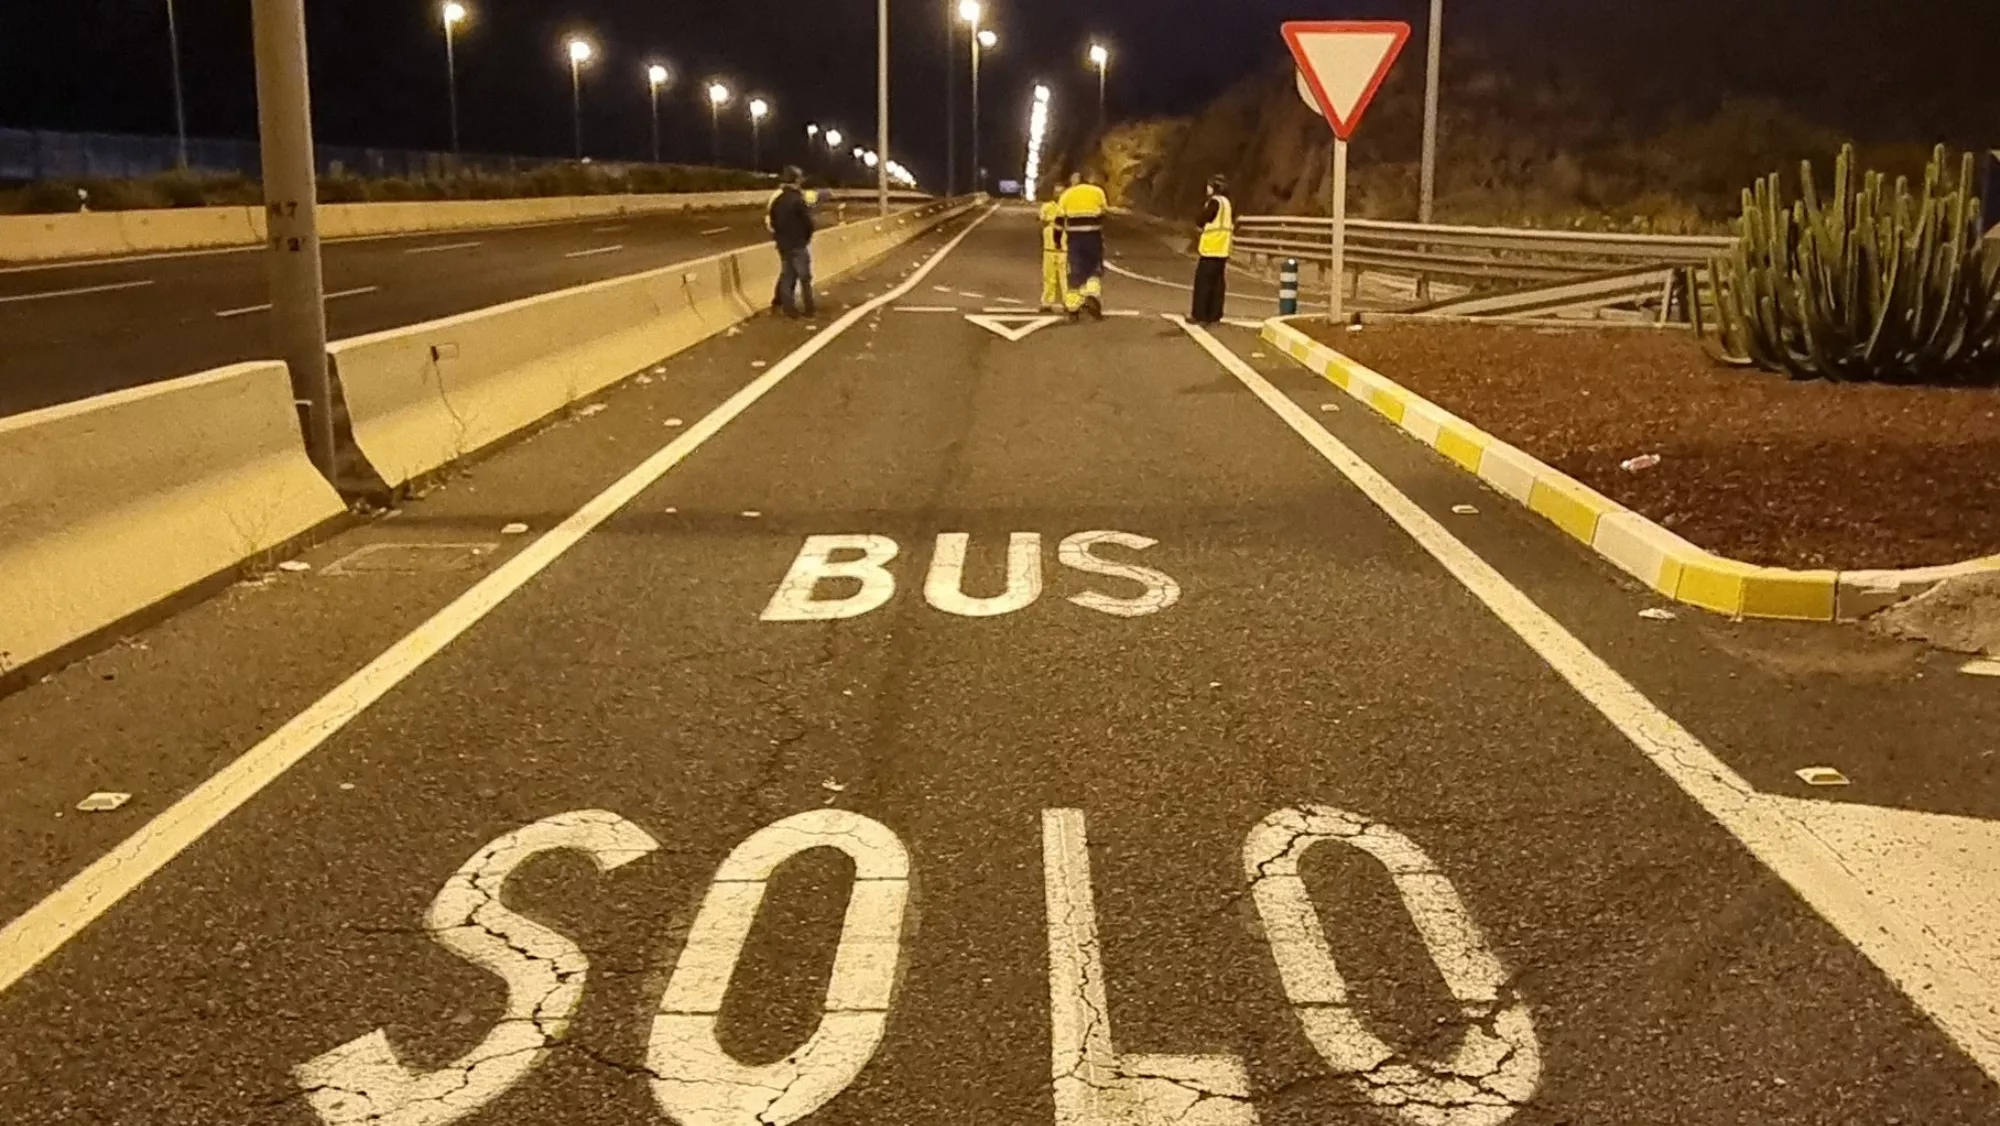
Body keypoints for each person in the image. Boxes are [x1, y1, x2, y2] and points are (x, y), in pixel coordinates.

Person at [1057, 172, 1109, 321]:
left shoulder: (1067, 194)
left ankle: (1073, 307)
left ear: (1073, 181)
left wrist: (1057, 239)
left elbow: (1060, 220)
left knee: (1075, 272)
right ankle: (1091, 294)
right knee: (1093, 268)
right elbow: (1104, 211)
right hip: (1093, 237)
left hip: (1075, 238)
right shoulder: (1097, 192)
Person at [766, 166, 817, 318]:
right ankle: (809, 309)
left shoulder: (778, 199)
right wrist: (806, 237)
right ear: (796, 180)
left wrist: (780, 236)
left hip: (783, 244)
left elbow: (772, 221)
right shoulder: (798, 199)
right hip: (798, 243)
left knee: (788, 275)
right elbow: (808, 223)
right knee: (805, 277)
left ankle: (789, 309)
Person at [1190, 175, 1235, 324]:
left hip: (1211, 247)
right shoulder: (1227, 203)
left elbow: (1202, 219)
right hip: (1222, 248)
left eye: (1209, 186)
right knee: (1217, 283)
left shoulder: (1214, 202)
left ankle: (1200, 315)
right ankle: (1214, 315)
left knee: (1203, 282)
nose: (1206, 188)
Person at [1039, 195, 1065, 311]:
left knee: (1065, 277)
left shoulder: (1067, 205)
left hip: (1064, 248)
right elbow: (1042, 220)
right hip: (1049, 248)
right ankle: (1047, 302)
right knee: (1048, 276)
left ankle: (1068, 302)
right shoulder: (1047, 206)